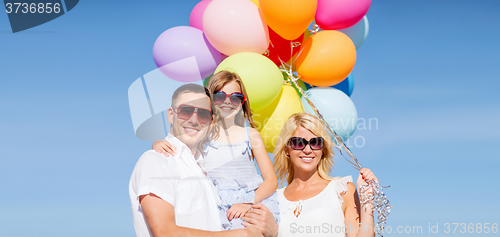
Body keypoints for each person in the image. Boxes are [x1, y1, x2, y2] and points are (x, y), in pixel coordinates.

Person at [129, 84, 276, 237]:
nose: (194, 120)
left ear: (210, 121)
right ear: (171, 115)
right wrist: (240, 235)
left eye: (203, 114)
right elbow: (164, 232)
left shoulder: (204, 173)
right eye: (185, 111)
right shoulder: (157, 160)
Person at [273, 113, 378, 237]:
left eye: (315, 142)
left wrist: (368, 203)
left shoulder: (342, 190)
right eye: (298, 142)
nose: (307, 150)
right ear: (286, 149)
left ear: (323, 150)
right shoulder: (274, 200)